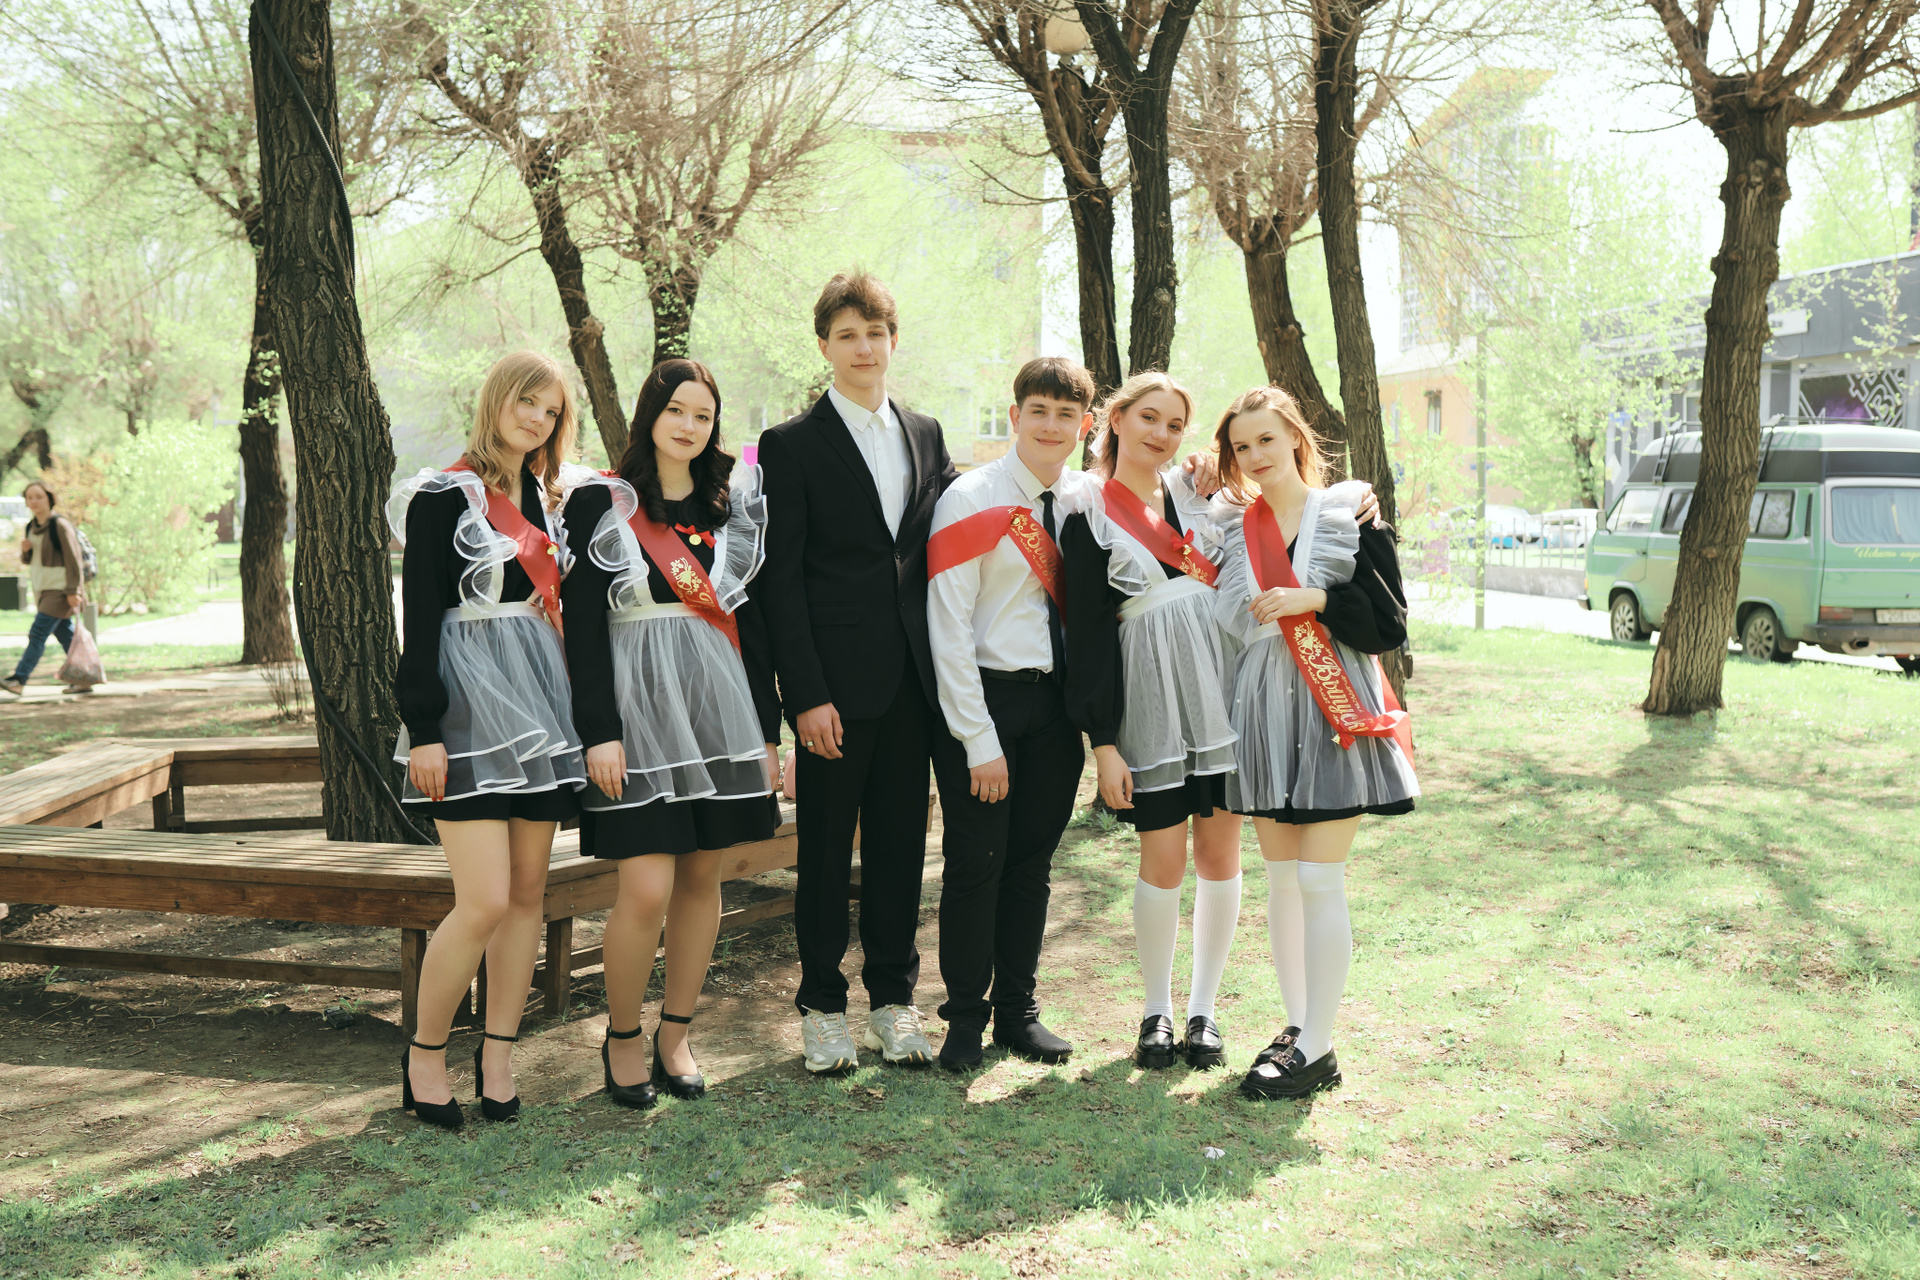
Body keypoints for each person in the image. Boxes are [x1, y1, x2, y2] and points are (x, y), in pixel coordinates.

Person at [560, 359, 783, 1109]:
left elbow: (751, 625)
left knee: (702, 878)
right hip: (634, 715)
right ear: (649, 414)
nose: (689, 426)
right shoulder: (601, 501)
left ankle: (676, 1034)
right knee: (646, 886)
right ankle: (623, 1036)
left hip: (717, 710)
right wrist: (598, 731)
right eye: (676, 410)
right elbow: (582, 625)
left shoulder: (731, 505)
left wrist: (766, 731)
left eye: (703, 415)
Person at [751, 271, 959, 1074]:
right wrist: (804, 696)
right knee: (826, 856)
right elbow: (782, 581)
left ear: (892, 340)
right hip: (833, 691)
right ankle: (821, 1008)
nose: (864, 347)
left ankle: (894, 1002)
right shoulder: (790, 444)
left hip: (913, 685)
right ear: (825, 347)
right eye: (847, 335)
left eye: (875, 333)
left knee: (903, 852)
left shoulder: (928, 433)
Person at [389, 350, 587, 1129]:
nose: (536, 418)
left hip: (538, 707)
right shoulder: (443, 496)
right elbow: (419, 619)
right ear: (497, 400)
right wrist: (424, 731)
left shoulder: (548, 499)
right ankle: (425, 1056)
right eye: (526, 402)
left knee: (528, 894)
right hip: (465, 715)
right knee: (483, 900)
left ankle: (498, 1056)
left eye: (551, 410)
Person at [1209, 385, 1417, 1101]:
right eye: (1241, 446)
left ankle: (1320, 1046)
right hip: (1266, 714)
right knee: (1283, 883)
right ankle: (1300, 1028)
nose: (1255, 455)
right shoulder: (1234, 528)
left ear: (1296, 436)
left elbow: (1390, 624)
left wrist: (1318, 600)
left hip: (1333, 710)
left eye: (1266, 439)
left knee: (1321, 881)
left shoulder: (1348, 514)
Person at [1059, 372, 1243, 1072]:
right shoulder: (1087, 509)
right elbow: (1086, 635)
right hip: (1150, 703)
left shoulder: (1200, 498)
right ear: (1117, 419)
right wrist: (1103, 743)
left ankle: (1204, 1011)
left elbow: (1284, 500)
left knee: (1220, 856)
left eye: (1174, 424)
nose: (1161, 434)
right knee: (1162, 860)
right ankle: (1156, 1011)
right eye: (1148, 418)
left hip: (1220, 696)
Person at [925, 357, 1098, 1070]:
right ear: (1015, 416)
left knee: (1031, 866)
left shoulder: (1089, 497)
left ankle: (1018, 1015)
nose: (1051, 426)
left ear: (1085, 424)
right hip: (984, 701)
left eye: (1067, 414)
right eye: (1039, 411)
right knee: (976, 864)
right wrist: (977, 739)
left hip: (1056, 708)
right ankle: (965, 1018)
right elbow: (947, 628)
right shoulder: (971, 497)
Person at [2, 482, 86, 697]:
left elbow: (74, 560)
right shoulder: (31, 527)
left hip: (60, 590)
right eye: (29, 497)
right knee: (65, 635)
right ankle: (84, 678)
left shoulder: (60, 525)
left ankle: (19, 679)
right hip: (42, 588)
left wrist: (73, 591)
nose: (34, 501)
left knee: (37, 633)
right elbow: (31, 561)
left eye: (38, 496)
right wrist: (25, 552)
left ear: (49, 498)